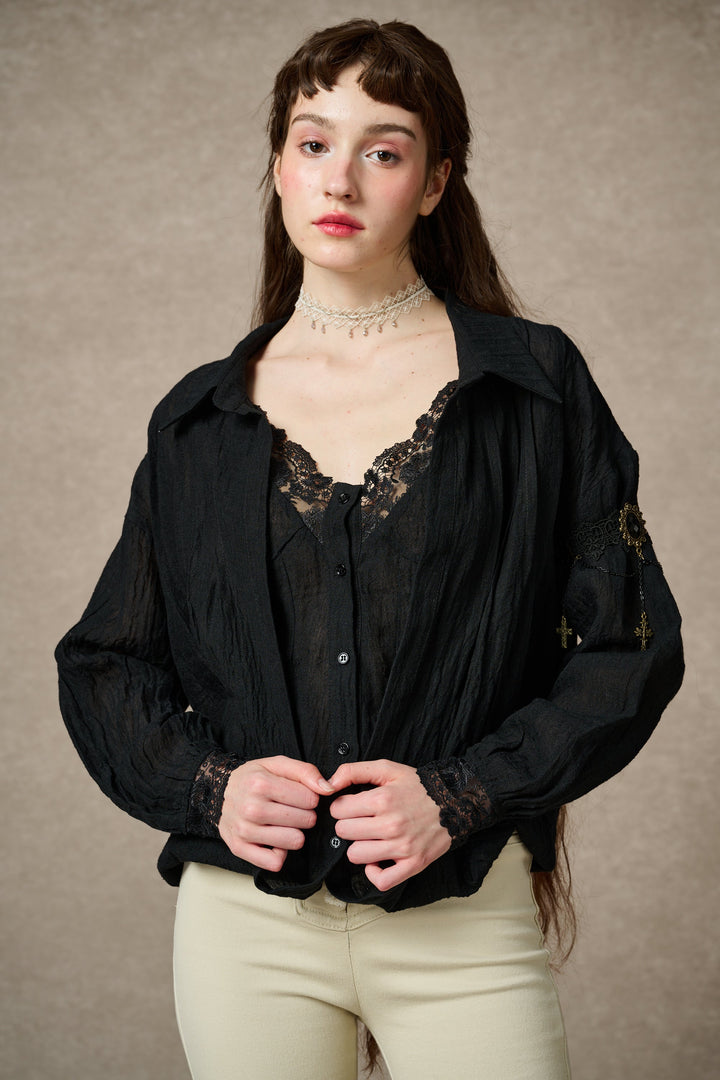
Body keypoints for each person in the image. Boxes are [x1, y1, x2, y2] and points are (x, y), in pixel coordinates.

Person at [55, 18, 683, 1080]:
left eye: (383, 151)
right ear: (278, 167)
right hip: (244, 931)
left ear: (434, 184)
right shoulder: (198, 422)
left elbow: (631, 644)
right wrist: (211, 789)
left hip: (462, 918)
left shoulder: (533, 388)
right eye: (313, 143)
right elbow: (104, 661)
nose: (339, 177)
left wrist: (462, 794)